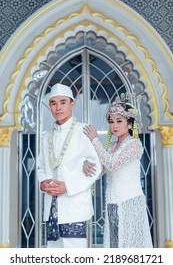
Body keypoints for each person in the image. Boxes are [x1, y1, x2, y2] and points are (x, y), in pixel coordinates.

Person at [37, 83, 102, 248]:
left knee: (75, 254)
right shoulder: (46, 136)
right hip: (51, 205)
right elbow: (41, 166)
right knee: (54, 252)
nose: (58, 107)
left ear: (72, 104)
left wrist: (68, 186)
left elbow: (96, 167)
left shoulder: (83, 131)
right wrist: (43, 182)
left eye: (63, 102)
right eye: (53, 103)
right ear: (50, 106)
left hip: (74, 204)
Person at [83, 97, 153, 248]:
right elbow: (100, 170)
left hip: (130, 203)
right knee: (114, 248)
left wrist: (95, 140)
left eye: (119, 121)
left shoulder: (134, 144)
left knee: (130, 248)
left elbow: (112, 164)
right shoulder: (111, 146)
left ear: (129, 123)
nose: (114, 125)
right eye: (111, 121)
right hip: (112, 204)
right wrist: (86, 165)